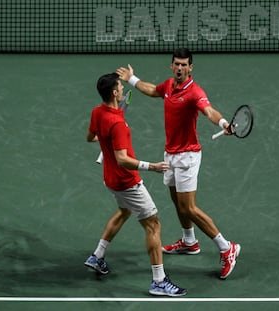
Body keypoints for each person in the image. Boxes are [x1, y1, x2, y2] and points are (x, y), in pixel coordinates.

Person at [116, 48, 241, 279]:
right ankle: (189, 241)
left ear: (190, 67)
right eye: (177, 64)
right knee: (176, 201)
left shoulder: (194, 92)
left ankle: (227, 248)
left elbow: (208, 110)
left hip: (187, 157)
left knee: (189, 208)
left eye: (184, 65)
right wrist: (131, 79)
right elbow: (153, 90)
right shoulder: (168, 86)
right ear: (171, 66)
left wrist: (223, 123)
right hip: (170, 154)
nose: (180, 68)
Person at [84, 72, 187, 297]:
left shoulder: (97, 113)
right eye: (119, 86)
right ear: (114, 92)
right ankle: (159, 281)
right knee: (153, 225)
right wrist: (152, 166)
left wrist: (107, 139)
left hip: (110, 179)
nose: (122, 89)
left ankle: (97, 256)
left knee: (124, 211)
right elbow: (122, 159)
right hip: (126, 181)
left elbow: (90, 137)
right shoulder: (117, 123)